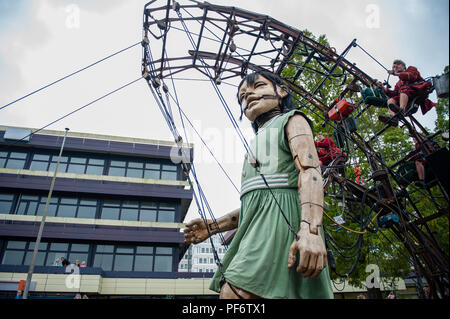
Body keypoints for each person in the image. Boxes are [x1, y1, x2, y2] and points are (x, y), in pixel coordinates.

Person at [184, 71, 333, 299]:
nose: (248, 95)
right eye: (242, 95)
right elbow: (259, 203)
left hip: (288, 222)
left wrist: (310, 230)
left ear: (281, 91)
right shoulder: (257, 141)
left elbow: (310, 171)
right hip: (260, 226)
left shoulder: (293, 120)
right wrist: (213, 226)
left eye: (258, 86)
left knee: (235, 293)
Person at [377, 59, 435, 127]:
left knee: (403, 89)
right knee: (391, 100)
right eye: (394, 66)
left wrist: (395, 73)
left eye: (398, 64)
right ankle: (393, 118)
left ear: (404, 66)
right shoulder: (398, 83)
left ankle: (401, 110)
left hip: (417, 91)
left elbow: (411, 76)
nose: (395, 66)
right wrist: (383, 88)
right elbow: (394, 93)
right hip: (406, 96)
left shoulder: (411, 69)